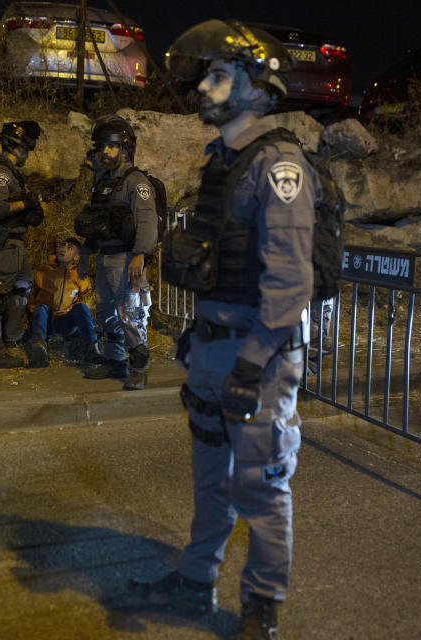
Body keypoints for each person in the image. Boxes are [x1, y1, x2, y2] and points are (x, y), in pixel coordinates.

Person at [127, 20, 316, 640]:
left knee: (260, 488)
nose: (203, 89)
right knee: (210, 482)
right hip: (212, 348)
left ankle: (262, 606)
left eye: (217, 76)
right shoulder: (223, 160)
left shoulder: (279, 167)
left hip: (255, 358)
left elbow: (289, 287)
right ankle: (194, 583)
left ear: (257, 86)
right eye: (203, 76)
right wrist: (197, 335)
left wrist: (251, 365)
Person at [76, 116, 157, 390]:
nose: (105, 152)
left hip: (126, 258)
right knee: (107, 312)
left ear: (125, 149)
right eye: (103, 147)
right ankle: (115, 362)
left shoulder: (137, 182)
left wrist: (141, 254)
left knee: (130, 313)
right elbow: (97, 222)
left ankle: (139, 367)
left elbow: (147, 220)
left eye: (110, 147)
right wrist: (87, 251)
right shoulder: (104, 183)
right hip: (105, 257)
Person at [0, 120, 44, 369]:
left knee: (23, 288)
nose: (28, 153)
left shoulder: (12, 174)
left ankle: (12, 337)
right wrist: (26, 204)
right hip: (4, 243)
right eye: (27, 148)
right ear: (17, 147)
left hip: (16, 245)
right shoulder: (1, 173)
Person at [25, 233, 98, 368]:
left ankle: (92, 348)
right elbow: (30, 294)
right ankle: (39, 347)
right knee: (41, 308)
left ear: (76, 257)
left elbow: (85, 301)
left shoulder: (80, 277)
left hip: (64, 322)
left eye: (70, 247)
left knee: (82, 307)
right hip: (44, 321)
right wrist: (31, 310)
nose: (63, 248)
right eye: (62, 245)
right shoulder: (42, 271)